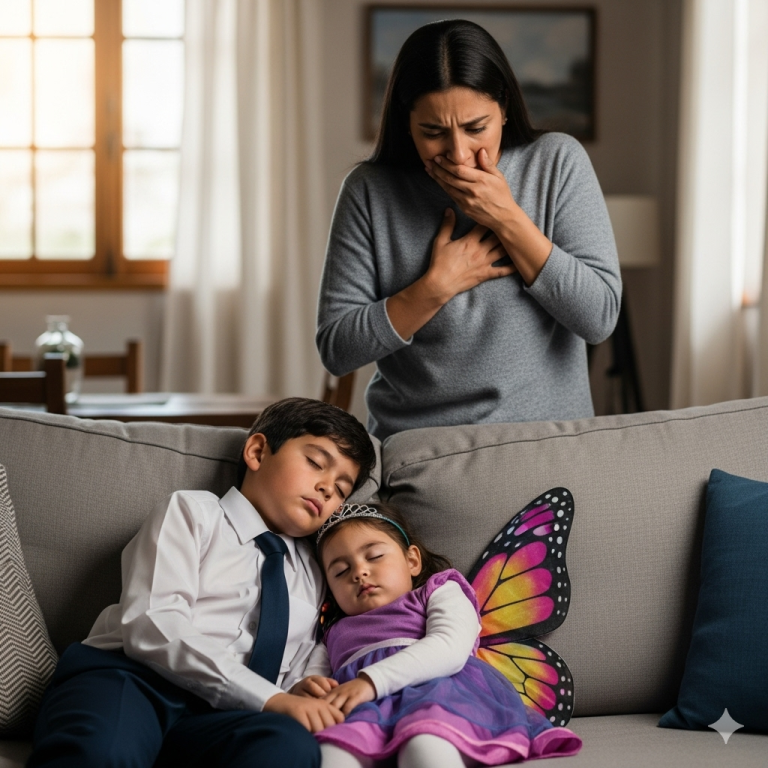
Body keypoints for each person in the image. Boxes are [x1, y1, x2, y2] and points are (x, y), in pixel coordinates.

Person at [28, 398, 377, 768]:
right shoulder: (194, 513)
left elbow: (302, 656)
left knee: (287, 746)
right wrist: (268, 698)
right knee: (104, 750)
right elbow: (153, 624)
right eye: (316, 463)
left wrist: (296, 690)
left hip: (226, 716)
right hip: (134, 681)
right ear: (258, 452)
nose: (326, 489)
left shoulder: (316, 570)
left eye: (341, 489)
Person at [316, 19, 621, 441]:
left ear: (505, 110)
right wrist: (435, 287)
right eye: (434, 132)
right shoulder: (369, 191)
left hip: (544, 446)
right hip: (415, 452)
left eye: (476, 128)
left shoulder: (557, 162)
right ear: (408, 124)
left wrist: (507, 217)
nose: (458, 154)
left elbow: (599, 316)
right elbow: (337, 348)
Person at [312, 502, 582, 767]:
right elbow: (310, 678)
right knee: (332, 752)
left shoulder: (437, 591)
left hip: (439, 697)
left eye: (374, 556)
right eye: (341, 571)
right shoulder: (333, 632)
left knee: (424, 744)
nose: (359, 572)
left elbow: (450, 646)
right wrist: (305, 688)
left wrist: (371, 682)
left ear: (412, 560)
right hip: (363, 714)